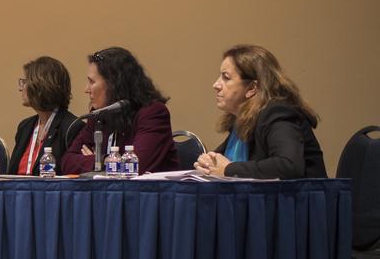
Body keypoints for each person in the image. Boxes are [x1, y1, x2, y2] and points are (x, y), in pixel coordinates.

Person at [193, 44, 325, 179]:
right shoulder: (242, 120)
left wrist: (228, 169)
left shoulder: (277, 114)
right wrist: (207, 163)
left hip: (302, 199)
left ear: (252, 88)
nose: (216, 85)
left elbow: (288, 165)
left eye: (226, 77)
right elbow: (219, 163)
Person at [60, 47, 179, 174]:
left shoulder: (153, 113)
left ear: (114, 84)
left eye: (92, 82)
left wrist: (96, 161)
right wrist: (102, 161)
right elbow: (67, 162)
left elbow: (134, 166)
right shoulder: (98, 115)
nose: (86, 89)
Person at [8, 56, 83, 175]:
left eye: (24, 82)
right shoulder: (25, 127)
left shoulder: (72, 127)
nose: (20, 88)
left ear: (40, 86)